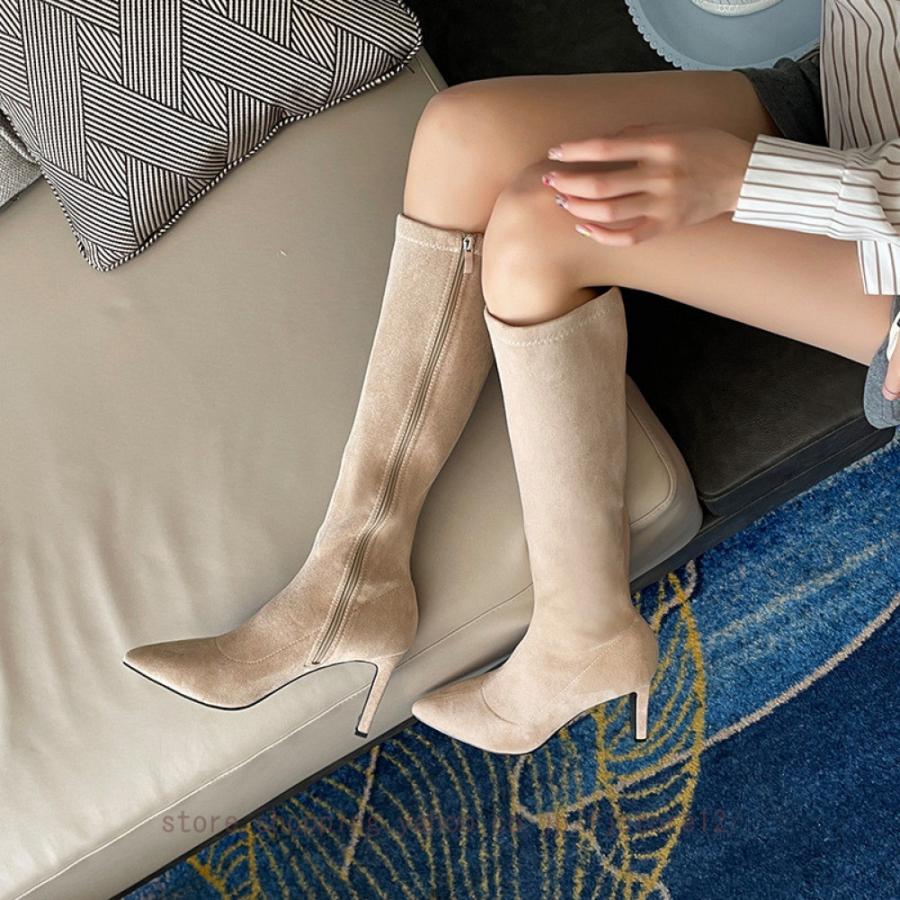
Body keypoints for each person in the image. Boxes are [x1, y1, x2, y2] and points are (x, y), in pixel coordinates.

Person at [122, 6, 899, 756]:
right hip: (860, 95)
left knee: (543, 224)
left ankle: (582, 633)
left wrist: (751, 178)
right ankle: (352, 569)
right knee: (463, 137)